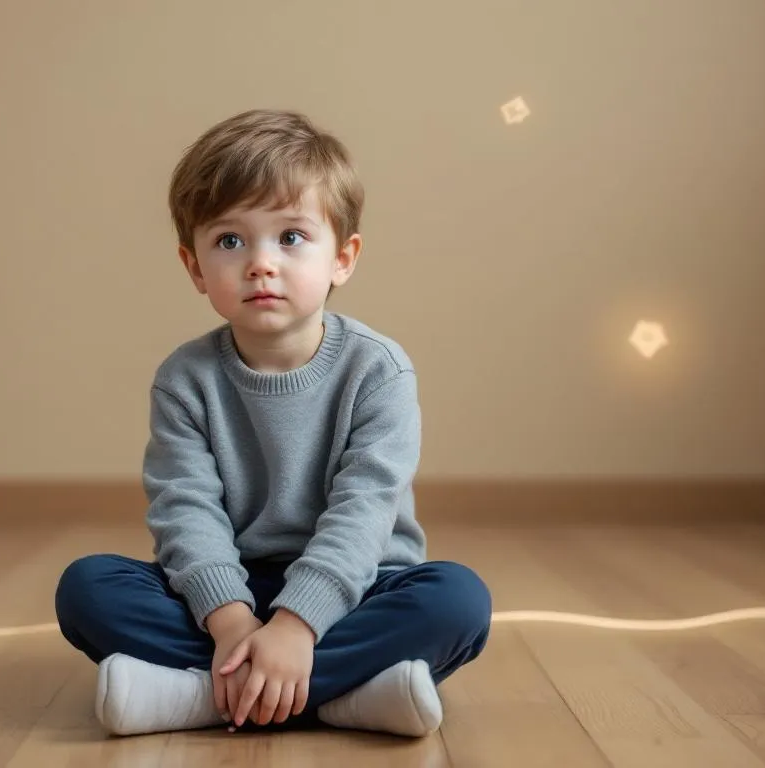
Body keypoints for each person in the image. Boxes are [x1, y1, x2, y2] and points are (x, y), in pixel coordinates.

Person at [54, 108, 492, 738]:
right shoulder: (185, 378)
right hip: (227, 595)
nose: (261, 263)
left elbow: (365, 511)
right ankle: (347, 693)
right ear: (195, 267)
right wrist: (233, 621)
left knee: (457, 600)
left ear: (342, 258)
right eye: (230, 241)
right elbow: (185, 510)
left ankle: (201, 695)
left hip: (358, 587)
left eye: (291, 237)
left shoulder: (380, 371)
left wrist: (298, 626)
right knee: (87, 588)